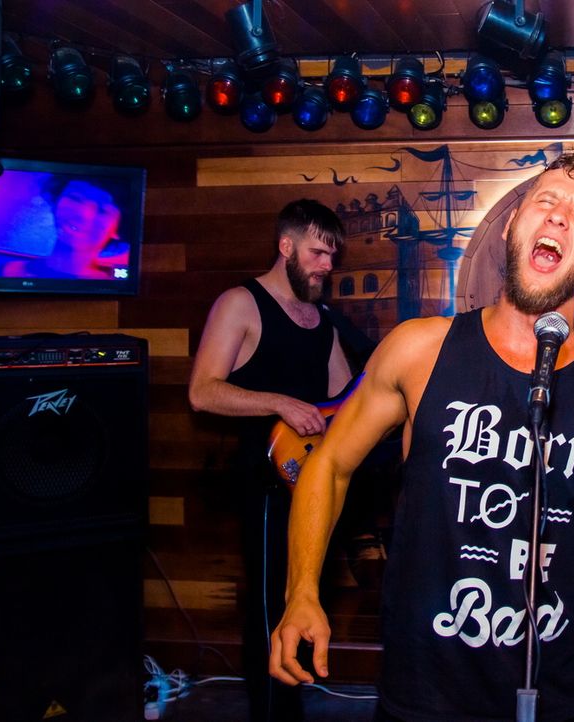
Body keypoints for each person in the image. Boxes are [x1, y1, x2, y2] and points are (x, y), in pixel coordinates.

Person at [269, 152, 574, 721]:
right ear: (512, 226)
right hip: (428, 692)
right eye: (545, 201)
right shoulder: (420, 349)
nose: (558, 216)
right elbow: (329, 465)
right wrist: (302, 592)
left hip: (569, 689)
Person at [189, 199, 375, 722]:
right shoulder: (240, 303)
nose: (327, 266)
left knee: (307, 596)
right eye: (318, 253)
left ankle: (289, 707)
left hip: (312, 481)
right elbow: (202, 392)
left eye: (333, 256)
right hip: (264, 480)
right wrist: (280, 403)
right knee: (272, 605)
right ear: (286, 246)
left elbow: (343, 400)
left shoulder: (323, 318)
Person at [2, 180, 123, 279]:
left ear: (119, 227)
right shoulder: (8, 273)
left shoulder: (115, 289)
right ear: (55, 203)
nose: (82, 213)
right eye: (75, 198)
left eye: (102, 210)